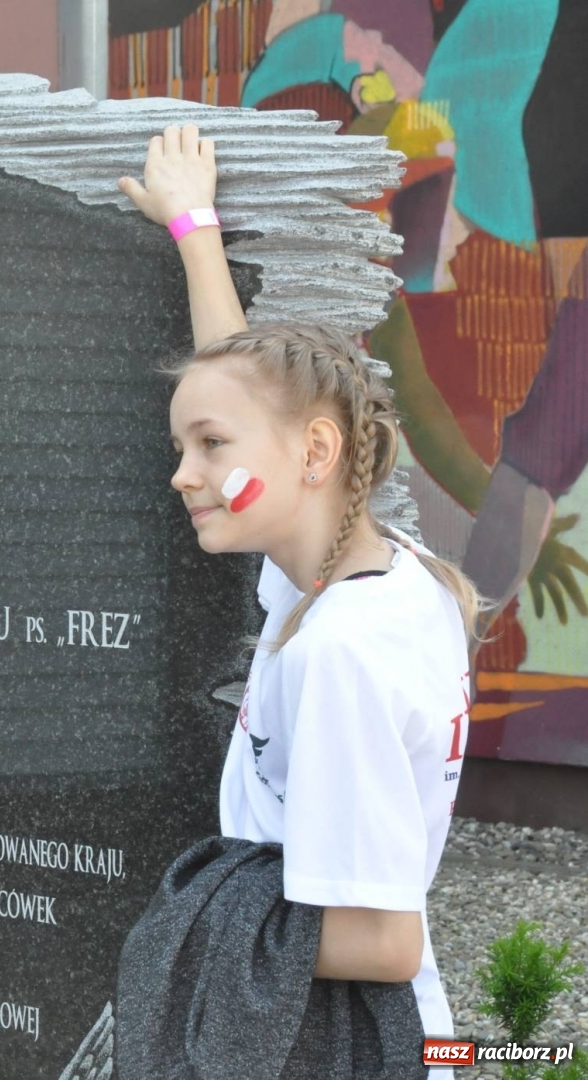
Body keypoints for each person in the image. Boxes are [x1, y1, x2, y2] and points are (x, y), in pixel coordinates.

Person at [118, 125, 484, 1073]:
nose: (184, 476)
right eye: (182, 447)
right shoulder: (370, 572)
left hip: (346, 1045)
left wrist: (193, 912)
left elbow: (383, 937)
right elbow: (242, 392)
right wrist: (196, 230)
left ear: (316, 456)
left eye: (207, 449)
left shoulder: (339, 652)